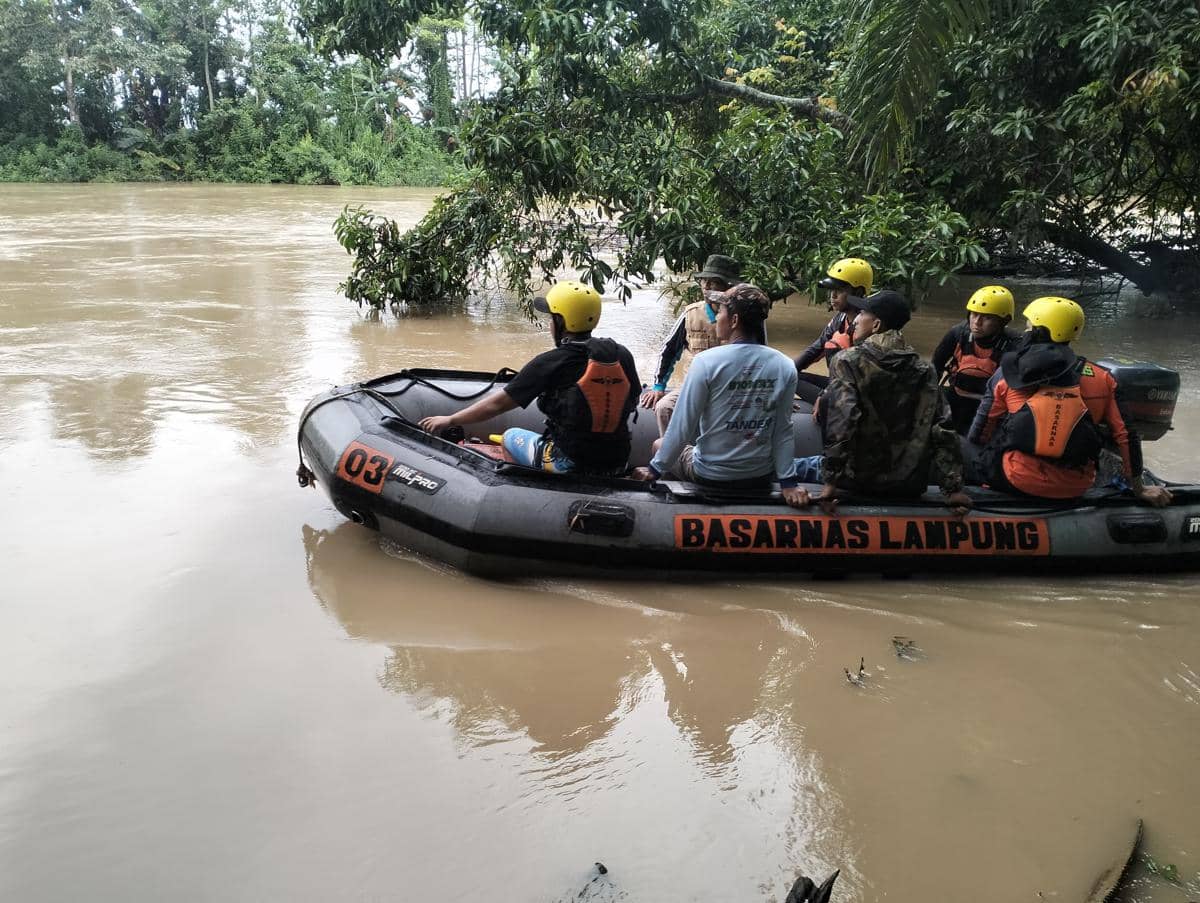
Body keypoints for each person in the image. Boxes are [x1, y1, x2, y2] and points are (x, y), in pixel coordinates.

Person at [418, 280, 639, 475]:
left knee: (511, 435)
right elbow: (633, 400)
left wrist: (450, 420)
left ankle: (525, 490)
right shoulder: (621, 355)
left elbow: (496, 405)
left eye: (552, 318)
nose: (550, 324)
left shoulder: (552, 361)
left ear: (561, 322)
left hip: (569, 464)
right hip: (617, 461)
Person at [967, 296, 1172, 506]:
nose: (1026, 330)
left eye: (1029, 325)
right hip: (1078, 485)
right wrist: (1139, 488)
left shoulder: (1007, 373)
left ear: (1039, 330)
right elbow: (1126, 435)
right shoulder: (1103, 379)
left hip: (1017, 479)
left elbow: (981, 431)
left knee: (965, 447)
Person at [792, 291, 972, 514]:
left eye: (862, 313)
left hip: (857, 479)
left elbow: (843, 423)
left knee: (785, 467)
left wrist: (831, 483)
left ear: (876, 325)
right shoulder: (924, 370)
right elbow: (942, 427)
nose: (856, 319)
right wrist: (953, 489)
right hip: (909, 484)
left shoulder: (848, 361)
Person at [630, 284, 809, 508]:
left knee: (659, 444)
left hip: (710, 474)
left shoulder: (706, 362)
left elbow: (681, 428)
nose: (716, 319)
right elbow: (783, 430)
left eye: (721, 311)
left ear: (734, 321)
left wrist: (654, 469)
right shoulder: (784, 365)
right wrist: (788, 482)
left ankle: (672, 506)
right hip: (760, 475)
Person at [640, 253, 741, 435]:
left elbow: (761, 357)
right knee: (663, 408)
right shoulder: (691, 314)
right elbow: (669, 351)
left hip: (730, 391)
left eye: (714, 281)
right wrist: (658, 386)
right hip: (692, 388)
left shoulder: (745, 317)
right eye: (704, 281)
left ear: (729, 286)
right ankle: (672, 459)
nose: (706, 286)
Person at [931, 285, 1018, 434]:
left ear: (1003, 321)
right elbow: (935, 367)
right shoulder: (957, 334)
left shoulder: (1014, 343)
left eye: (987, 317)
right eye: (974, 314)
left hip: (990, 407)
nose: (977, 322)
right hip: (956, 397)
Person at [793, 257, 874, 402]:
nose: (833, 296)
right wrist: (786, 370)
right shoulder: (840, 319)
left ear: (858, 292)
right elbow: (816, 349)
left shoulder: (870, 326)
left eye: (840, 290)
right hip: (838, 386)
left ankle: (827, 403)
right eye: (832, 290)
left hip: (858, 396)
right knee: (791, 376)